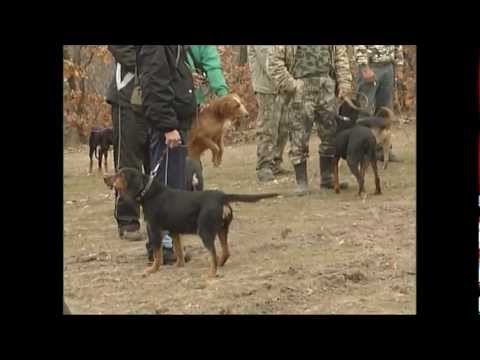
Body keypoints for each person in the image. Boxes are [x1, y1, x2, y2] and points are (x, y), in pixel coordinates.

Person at [136, 45, 197, 264]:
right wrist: (168, 126)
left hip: (176, 122)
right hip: (167, 127)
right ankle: (160, 247)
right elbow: (154, 85)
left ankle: (170, 244)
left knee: (173, 188)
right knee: (164, 190)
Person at [267, 45, 352, 194]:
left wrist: (344, 82)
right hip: (300, 88)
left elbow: (341, 56)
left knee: (331, 132)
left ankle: (328, 177)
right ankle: (302, 183)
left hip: (326, 86)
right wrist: (291, 85)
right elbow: (274, 61)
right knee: (298, 134)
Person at [106, 46, 150, 241]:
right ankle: (128, 220)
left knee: (155, 159)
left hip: (155, 95)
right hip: (127, 96)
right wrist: (151, 65)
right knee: (128, 159)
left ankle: (159, 216)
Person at [353, 45, 404, 162]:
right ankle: (361, 151)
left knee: (385, 111)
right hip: (371, 65)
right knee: (364, 111)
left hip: (388, 66)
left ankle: (383, 150)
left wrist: (399, 64)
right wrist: (364, 66)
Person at [248, 45, 290, 182]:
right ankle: (264, 165)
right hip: (266, 87)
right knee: (268, 127)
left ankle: (275, 163)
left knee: (283, 126)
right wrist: (287, 79)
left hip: (282, 86)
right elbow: (268, 61)